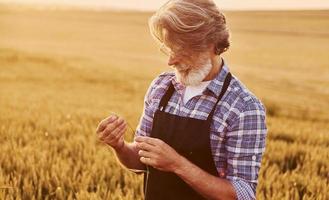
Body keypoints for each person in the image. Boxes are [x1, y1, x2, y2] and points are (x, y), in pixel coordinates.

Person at [96, 0, 267, 199]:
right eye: (168, 50)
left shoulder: (244, 107)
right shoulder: (161, 88)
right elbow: (141, 160)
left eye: (180, 50)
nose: (170, 61)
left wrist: (177, 164)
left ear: (211, 44)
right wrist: (120, 146)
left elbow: (243, 194)